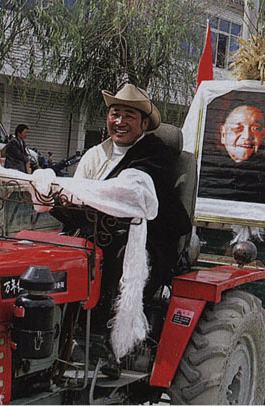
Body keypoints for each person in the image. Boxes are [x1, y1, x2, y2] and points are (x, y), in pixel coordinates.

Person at [68, 83, 192, 332]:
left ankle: (107, 331)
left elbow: (134, 190)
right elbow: (76, 195)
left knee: (118, 258)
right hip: (93, 231)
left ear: (144, 124)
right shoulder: (94, 155)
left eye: (129, 116)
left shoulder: (156, 154)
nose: (120, 122)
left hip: (145, 236)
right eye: (115, 114)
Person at [198, 97, 265, 205]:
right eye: (238, 128)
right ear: (223, 134)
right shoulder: (205, 170)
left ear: (264, 135)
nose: (247, 136)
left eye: (255, 128)